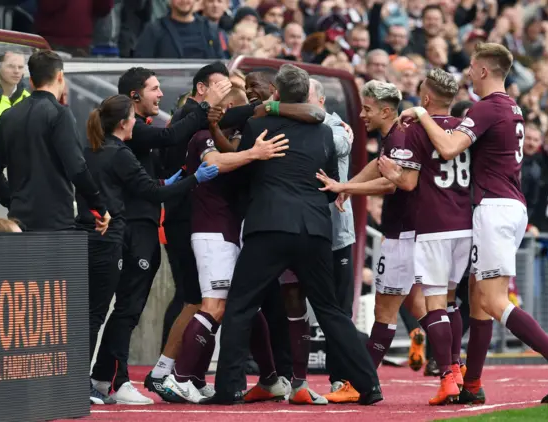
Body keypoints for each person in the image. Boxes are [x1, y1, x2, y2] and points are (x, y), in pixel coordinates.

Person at [398, 42, 548, 404]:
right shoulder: (512, 106)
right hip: (511, 205)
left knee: (493, 299)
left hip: (494, 209)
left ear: (483, 70)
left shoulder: (488, 107)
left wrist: (421, 114)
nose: (468, 72)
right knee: (478, 299)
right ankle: (472, 385)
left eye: (471, 67)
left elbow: (450, 147)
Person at [203, 64, 382, 406]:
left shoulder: (258, 124)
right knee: (330, 310)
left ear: (276, 94)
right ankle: (369, 385)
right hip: (314, 229)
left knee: (241, 306)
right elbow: (329, 187)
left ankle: (228, 388)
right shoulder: (324, 133)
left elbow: (240, 171)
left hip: (268, 226)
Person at [90, 66, 230, 405]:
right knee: (124, 308)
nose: (161, 94)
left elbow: (155, 177)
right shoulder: (128, 136)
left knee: (125, 308)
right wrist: (202, 105)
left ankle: (101, 377)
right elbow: (170, 140)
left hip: (139, 226)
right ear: (133, 98)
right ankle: (114, 378)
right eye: (154, 88)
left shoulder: (129, 137)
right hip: (132, 229)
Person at [162, 88, 291, 403]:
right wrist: (254, 154)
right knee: (214, 307)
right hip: (212, 234)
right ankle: (178, 378)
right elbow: (216, 162)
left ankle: (270, 378)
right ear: (228, 108)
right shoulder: (203, 134)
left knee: (247, 307)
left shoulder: (230, 139)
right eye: (245, 108)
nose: (250, 113)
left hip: (227, 234)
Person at [316, 80, 427, 398]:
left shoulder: (400, 135)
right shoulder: (394, 136)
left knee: (384, 312)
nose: (362, 114)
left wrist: (344, 188)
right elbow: (377, 166)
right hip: (411, 231)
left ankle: (361, 384)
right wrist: (348, 184)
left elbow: (393, 184)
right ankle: (453, 369)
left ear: (386, 110)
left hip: (402, 233)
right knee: (418, 306)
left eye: (367, 109)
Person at [377, 68, 471, 405]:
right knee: (450, 303)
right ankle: (459, 370)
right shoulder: (465, 127)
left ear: (426, 97)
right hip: (465, 221)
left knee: (434, 304)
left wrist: (390, 171)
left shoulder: (417, 129)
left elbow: (408, 183)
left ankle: (447, 376)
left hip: (435, 225)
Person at [268, 78, 355, 404]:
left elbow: (327, 148)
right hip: (299, 230)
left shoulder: (337, 127)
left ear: (318, 101)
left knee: (337, 309)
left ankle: (341, 378)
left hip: (335, 233)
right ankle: (294, 378)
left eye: (303, 100)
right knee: (291, 302)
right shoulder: (291, 126)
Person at [0, 50, 110, 234]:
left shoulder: (8, 116)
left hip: (18, 223)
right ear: (60, 76)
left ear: (31, 81)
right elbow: (77, 169)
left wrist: (13, 201)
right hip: (56, 223)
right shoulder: (60, 114)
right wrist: (99, 206)